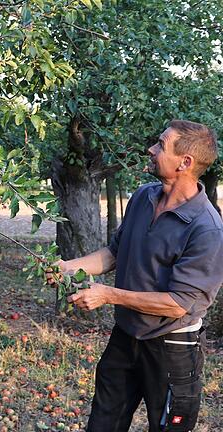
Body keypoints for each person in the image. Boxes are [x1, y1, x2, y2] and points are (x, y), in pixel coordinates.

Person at [47, 120, 223, 431]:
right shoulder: (144, 197)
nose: (151, 150)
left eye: (160, 145)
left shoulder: (207, 229)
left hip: (173, 348)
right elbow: (115, 252)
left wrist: (108, 294)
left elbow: (177, 303)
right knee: (103, 424)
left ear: (185, 162)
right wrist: (70, 267)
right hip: (126, 338)